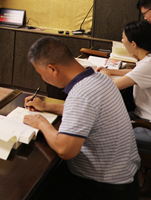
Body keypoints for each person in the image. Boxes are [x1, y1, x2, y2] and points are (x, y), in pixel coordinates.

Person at [23, 36, 139, 200]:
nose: (43, 79)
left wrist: (41, 122)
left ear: (52, 69)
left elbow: (65, 150)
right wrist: (46, 106)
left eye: (41, 74)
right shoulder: (100, 78)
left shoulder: (81, 94)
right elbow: (86, 111)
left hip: (103, 188)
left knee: (34, 186)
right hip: (126, 177)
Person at [100, 21, 151, 156]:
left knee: (100, 131)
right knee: (102, 120)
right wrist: (111, 71)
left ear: (133, 44)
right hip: (141, 117)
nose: (122, 40)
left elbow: (111, 86)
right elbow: (134, 72)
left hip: (146, 125)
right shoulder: (147, 60)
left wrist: (105, 75)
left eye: (123, 37)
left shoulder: (148, 64)